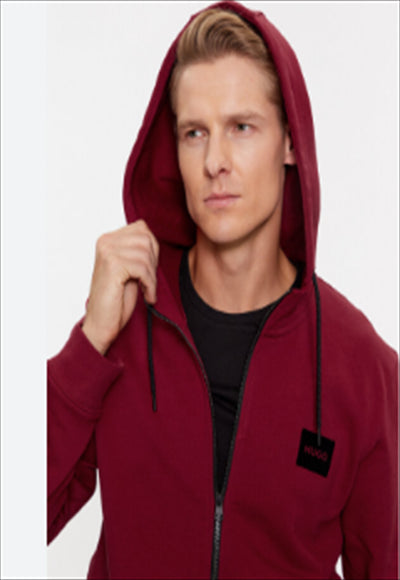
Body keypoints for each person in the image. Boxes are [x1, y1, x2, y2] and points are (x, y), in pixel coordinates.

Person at [47, 1, 398, 578]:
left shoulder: (362, 368)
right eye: (195, 133)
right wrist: (87, 346)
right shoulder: (123, 326)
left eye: (241, 127)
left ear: (290, 142)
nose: (215, 161)